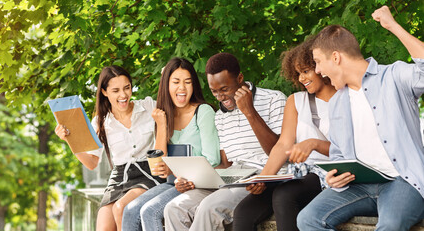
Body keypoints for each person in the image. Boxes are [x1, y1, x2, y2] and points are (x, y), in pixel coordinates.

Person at [297, 6, 424, 230]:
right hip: (359, 186)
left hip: (402, 182)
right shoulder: (337, 102)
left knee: (390, 225)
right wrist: (333, 178)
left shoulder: (392, 77)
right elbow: (338, 154)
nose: (317, 71)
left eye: (318, 62)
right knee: (307, 219)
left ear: (335, 57)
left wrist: (393, 26)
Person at [163, 52, 286, 231]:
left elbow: (279, 151)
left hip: (267, 176)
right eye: (214, 91)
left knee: (208, 208)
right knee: (175, 208)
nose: (220, 97)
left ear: (240, 78)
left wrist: (249, 111)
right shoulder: (220, 116)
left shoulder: (274, 100)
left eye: (224, 89)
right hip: (236, 177)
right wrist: (192, 179)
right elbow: (227, 164)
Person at [232, 37, 336, 231]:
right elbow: (283, 145)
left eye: (306, 71)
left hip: (328, 172)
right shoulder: (296, 101)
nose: (301, 79)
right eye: (298, 73)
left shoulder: (345, 98)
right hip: (298, 173)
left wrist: (313, 144)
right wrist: (263, 179)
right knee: (244, 211)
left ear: (321, 67)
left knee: (285, 195)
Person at [54, 66, 163, 231]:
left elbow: (171, 107)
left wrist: (167, 75)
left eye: (127, 88)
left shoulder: (148, 106)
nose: (123, 95)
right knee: (103, 226)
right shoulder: (100, 122)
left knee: (121, 208)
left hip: (147, 172)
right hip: (119, 177)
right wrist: (70, 140)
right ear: (105, 92)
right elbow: (91, 163)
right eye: (116, 90)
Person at [122, 57, 221, 231]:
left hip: (197, 184)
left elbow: (212, 159)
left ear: (194, 85)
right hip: (171, 183)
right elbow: (159, 167)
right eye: (176, 82)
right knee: (130, 210)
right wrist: (161, 125)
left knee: (150, 211)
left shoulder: (203, 112)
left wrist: (175, 170)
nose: (182, 88)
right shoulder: (164, 116)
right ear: (167, 85)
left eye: (187, 82)